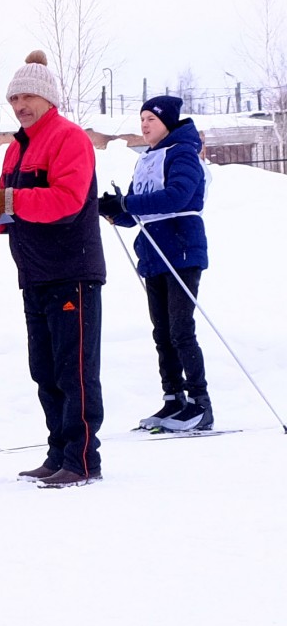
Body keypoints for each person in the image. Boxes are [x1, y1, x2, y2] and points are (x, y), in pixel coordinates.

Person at [0, 50, 107, 488]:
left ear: (47, 99)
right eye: (13, 99)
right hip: (35, 274)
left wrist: (4, 202)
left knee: (74, 369)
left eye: (27, 97)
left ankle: (83, 460)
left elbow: (66, 201)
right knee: (45, 371)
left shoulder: (69, 139)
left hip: (71, 271)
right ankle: (58, 452)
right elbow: (13, 214)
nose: (20, 106)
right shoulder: (15, 150)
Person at [99, 96, 212, 432]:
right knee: (162, 332)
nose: (144, 124)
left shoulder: (183, 153)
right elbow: (135, 213)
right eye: (142, 118)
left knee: (181, 330)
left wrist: (127, 202)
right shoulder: (147, 159)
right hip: (153, 252)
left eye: (151, 118)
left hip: (180, 247)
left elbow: (177, 196)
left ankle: (200, 403)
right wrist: (112, 210)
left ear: (168, 122)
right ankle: (173, 398)